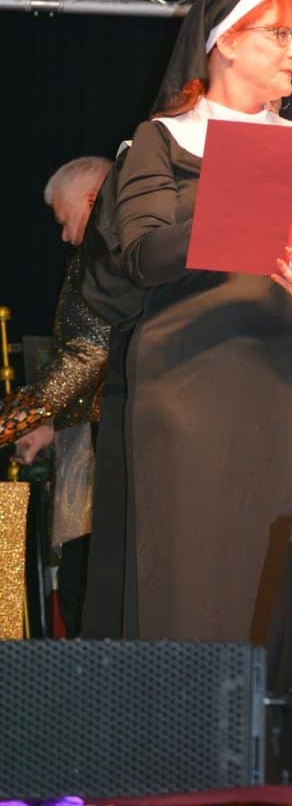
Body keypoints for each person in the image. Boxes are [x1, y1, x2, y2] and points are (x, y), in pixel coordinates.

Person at [86, 0, 292, 642]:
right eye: (280, 35)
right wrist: (237, 192)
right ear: (226, 44)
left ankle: (276, 708)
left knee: (285, 565)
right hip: (190, 379)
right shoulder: (161, 139)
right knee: (189, 567)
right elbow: (142, 255)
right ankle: (188, 708)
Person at [0, 155, 111, 636]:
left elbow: (88, 354)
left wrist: (12, 420)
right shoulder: (102, 258)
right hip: (91, 442)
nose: (64, 236)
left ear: (92, 200)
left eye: (66, 222)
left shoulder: (104, 260)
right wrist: (45, 426)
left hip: (110, 456)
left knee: (86, 594)